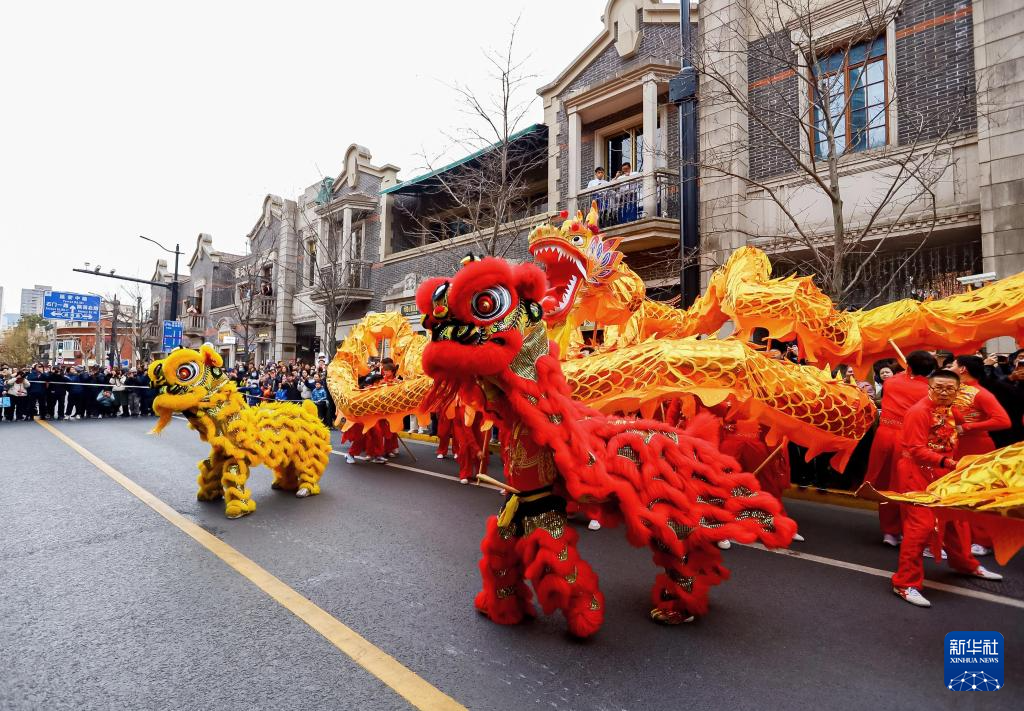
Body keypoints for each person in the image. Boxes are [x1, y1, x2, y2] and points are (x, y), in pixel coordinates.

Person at [890, 370, 1003, 607]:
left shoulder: (952, 410)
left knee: (956, 519)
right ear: (929, 388)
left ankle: (965, 564)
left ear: (957, 391)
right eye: (938, 387)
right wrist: (951, 463)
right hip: (917, 472)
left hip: (943, 470)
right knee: (920, 526)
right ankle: (905, 583)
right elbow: (916, 449)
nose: (943, 392)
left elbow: (963, 428)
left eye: (949, 388)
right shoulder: (918, 412)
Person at [864, 350, 937, 547]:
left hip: (884, 437)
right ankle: (908, 530)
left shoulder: (891, 382)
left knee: (885, 485)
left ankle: (890, 531)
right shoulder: (929, 390)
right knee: (907, 487)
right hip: (909, 440)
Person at [950, 355, 1012, 556]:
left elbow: (1003, 421)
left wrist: (968, 427)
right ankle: (962, 537)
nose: (950, 367)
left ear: (963, 369)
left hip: (976, 447)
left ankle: (983, 540)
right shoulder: (952, 389)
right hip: (955, 446)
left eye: (953, 364)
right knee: (956, 495)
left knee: (977, 494)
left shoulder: (981, 393)